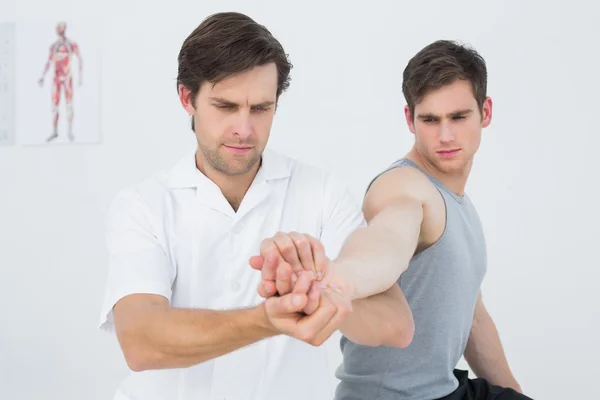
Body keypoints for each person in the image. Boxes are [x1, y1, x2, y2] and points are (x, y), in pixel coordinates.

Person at [98, 12, 414, 400]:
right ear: (187, 98)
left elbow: (395, 326)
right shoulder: (142, 206)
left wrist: (317, 287)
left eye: (261, 108)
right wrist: (271, 318)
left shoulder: (321, 192)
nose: (244, 130)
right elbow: (141, 342)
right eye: (226, 106)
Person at [254, 40, 534, 400]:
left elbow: (473, 318)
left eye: (459, 117)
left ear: (486, 112)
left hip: (444, 389)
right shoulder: (403, 187)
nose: (445, 135)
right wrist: (335, 279)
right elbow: (386, 245)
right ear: (409, 119)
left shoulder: (460, 204)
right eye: (430, 120)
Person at [38, 22, 82, 143]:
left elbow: (80, 58)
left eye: (60, 27)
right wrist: (42, 75)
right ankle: (55, 131)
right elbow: (49, 61)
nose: (57, 29)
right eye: (57, 27)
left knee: (69, 105)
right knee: (55, 106)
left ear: (64, 28)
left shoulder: (71, 44)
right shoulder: (53, 46)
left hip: (67, 78)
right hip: (56, 79)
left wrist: (80, 76)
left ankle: (70, 131)